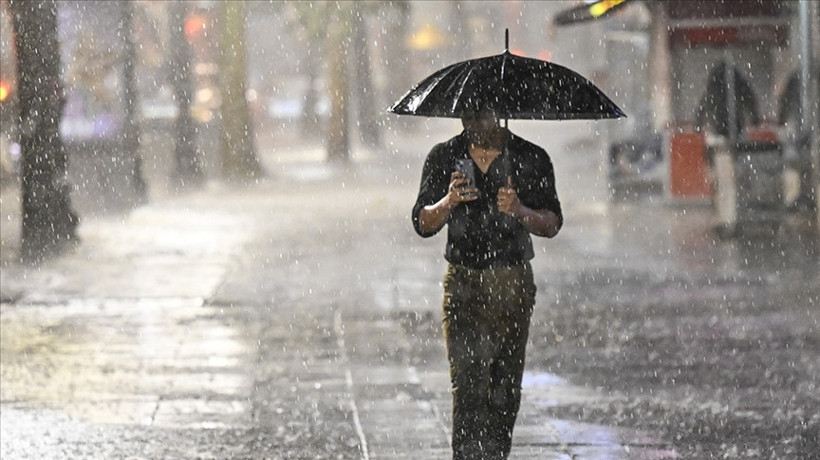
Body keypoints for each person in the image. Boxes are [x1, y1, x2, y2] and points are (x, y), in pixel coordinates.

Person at [411, 111, 563, 459]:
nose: (474, 126)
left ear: (501, 115)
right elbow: (422, 222)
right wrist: (448, 202)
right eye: (468, 118)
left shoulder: (531, 157)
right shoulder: (444, 156)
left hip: (512, 281)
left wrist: (520, 210)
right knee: (467, 385)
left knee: (505, 386)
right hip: (463, 281)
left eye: (483, 117)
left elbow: (552, 222)